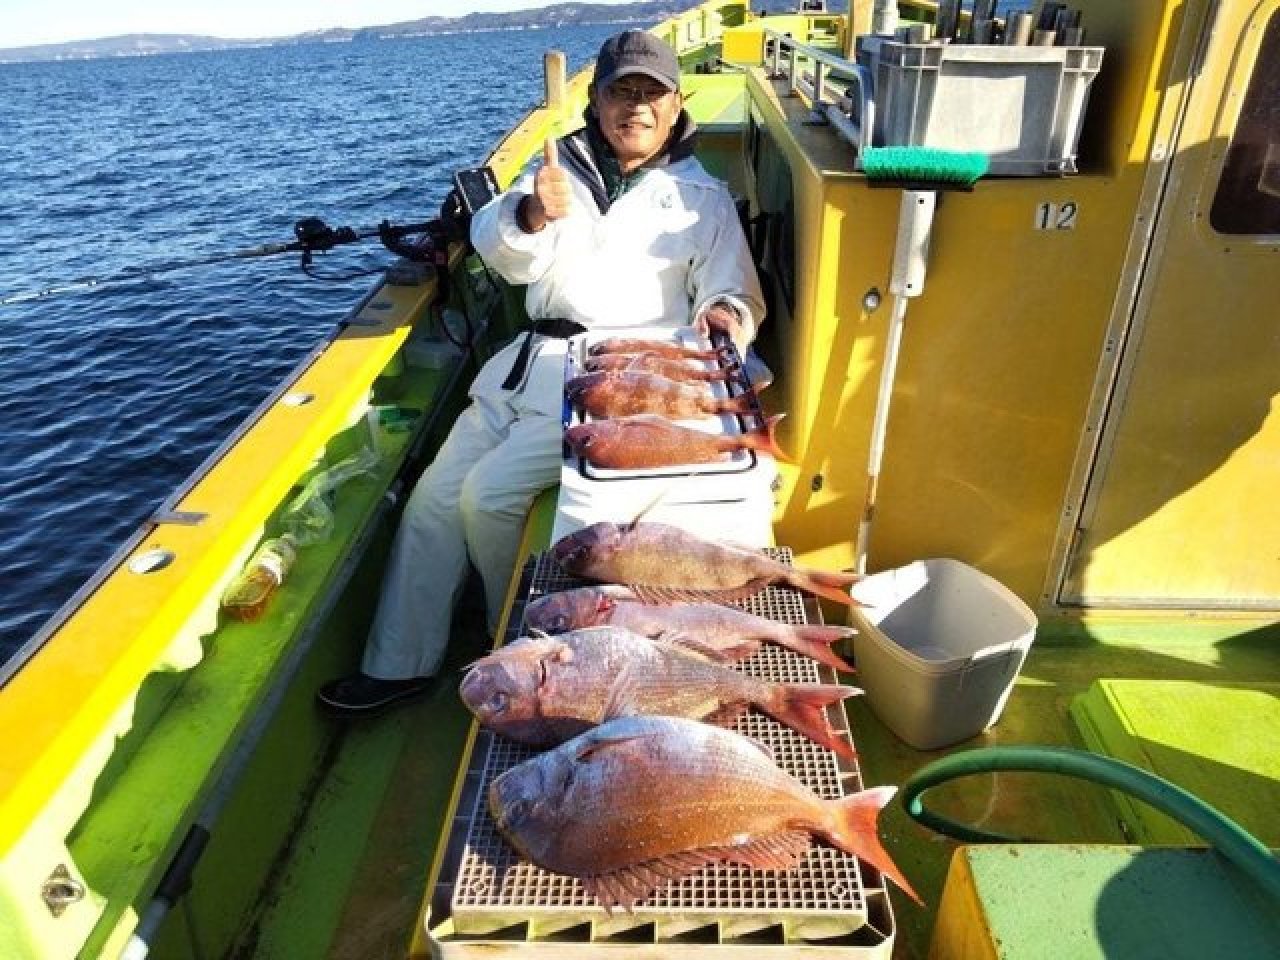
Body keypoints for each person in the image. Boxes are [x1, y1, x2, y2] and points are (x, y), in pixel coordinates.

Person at [318, 29, 765, 716]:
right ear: (598, 99)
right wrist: (529, 211)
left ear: (677, 104)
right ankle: (398, 663)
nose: (636, 107)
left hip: (606, 385)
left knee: (486, 498)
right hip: (522, 368)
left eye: (652, 93)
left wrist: (725, 320)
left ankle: (528, 650)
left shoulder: (701, 196)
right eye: (622, 91)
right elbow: (505, 254)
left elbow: (732, 292)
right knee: (434, 496)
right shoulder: (558, 171)